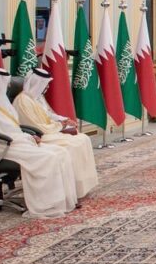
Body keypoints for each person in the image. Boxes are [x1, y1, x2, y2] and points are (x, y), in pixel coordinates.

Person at [0, 68, 78, 218]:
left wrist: (28, 136)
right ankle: (45, 206)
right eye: (5, 84)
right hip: (0, 147)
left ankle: (63, 202)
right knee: (48, 158)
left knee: (60, 152)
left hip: (14, 143)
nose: (8, 87)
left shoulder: (0, 103)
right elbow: (2, 135)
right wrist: (29, 138)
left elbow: (12, 129)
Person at [13, 68, 98, 198]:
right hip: (39, 135)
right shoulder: (23, 101)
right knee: (73, 145)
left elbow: (48, 114)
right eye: (45, 84)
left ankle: (79, 187)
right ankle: (67, 190)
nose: (47, 87)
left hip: (49, 130)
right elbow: (35, 126)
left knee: (83, 139)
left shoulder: (37, 98)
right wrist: (59, 126)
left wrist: (64, 120)